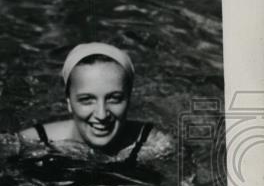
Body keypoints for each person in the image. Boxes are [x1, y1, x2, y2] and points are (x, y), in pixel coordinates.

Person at [17, 42, 171, 163]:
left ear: (129, 98)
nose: (102, 114)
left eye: (114, 98)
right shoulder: (31, 142)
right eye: (86, 100)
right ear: (69, 102)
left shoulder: (154, 145)